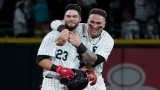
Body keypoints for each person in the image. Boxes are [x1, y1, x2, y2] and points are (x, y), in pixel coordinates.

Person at [51, 8, 114, 90]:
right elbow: (53, 22)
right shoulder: (79, 27)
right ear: (88, 20)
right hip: (74, 76)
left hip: (93, 77)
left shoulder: (107, 39)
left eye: (98, 23)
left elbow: (94, 62)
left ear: (104, 24)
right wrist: (64, 30)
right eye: (92, 22)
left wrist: (79, 44)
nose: (94, 26)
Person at [37, 4, 97, 90]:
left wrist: (88, 72)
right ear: (64, 18)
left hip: (72, 84)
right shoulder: (52, 35)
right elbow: (40, 60)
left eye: (74, 16)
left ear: (80, 19)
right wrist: (58, 69)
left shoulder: (80, 40)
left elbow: (80, 64)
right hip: (53, 81)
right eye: (68, 16)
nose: (71, 19)